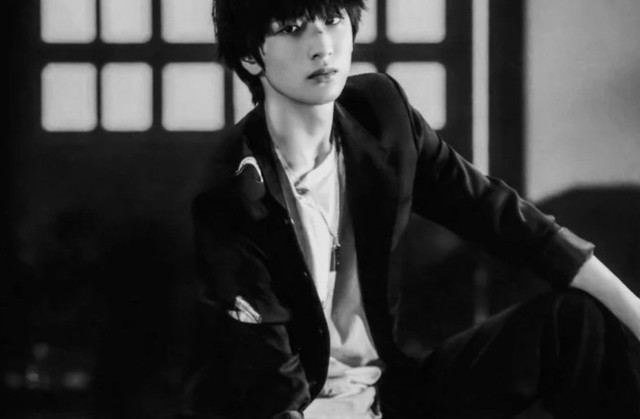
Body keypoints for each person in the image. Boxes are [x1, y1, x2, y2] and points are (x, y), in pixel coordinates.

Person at [182, 1, 640, 418]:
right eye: (291, 28)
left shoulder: (382, 115)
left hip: (392, 397)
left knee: (574, 322)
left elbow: (503, 217)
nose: (322, 45)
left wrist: (636, 314)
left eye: (333, 20)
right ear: (250, 56)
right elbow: (268, 379)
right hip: (291, 406)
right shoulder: (232, 191)